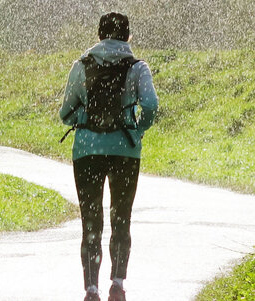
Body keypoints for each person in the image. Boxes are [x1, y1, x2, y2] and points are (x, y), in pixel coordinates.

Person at [59, 12, 158, 301]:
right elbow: (150, 104)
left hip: (87, 150)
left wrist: (86, 117)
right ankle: (117, 282)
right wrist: (137, 129)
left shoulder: (82, 65)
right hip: (124, 151)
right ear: (128, 36)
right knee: (121, 217)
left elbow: (65, 113)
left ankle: (91, 287)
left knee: (91, 219)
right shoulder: (138, 67)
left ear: (99, 35)